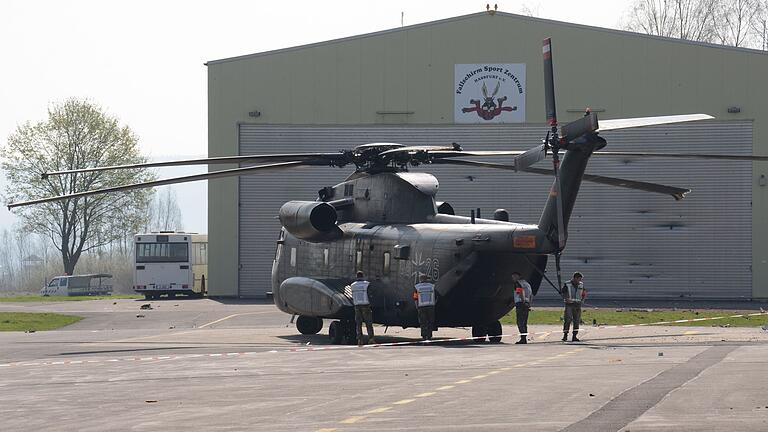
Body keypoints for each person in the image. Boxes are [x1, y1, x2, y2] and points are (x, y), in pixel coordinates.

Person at [350, 271, 375, 345]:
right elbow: (371, 294)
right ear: (363, 276)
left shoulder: (352, 285)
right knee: (368, 323)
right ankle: (371, 338)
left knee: (358, 324)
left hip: (357, 306)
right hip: (365, 305)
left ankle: (360, 340)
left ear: (356, 276)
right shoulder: (367, 284)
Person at [562, 272, 586, 342]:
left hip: (578, 305)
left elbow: (584, 293)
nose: (580, 280)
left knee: (577, 321)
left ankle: (574, 336)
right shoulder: (567, 284)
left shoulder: (581, 284)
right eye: (579, 279)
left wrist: (583, 299)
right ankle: (565, 335)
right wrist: (566, 299)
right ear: (575, 278)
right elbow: (563, 292)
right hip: (569, 305)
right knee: (568, 320)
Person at [413, 274, 436, 341]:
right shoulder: (432, 286)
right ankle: (429, 336)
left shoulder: (417, 287)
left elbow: (415, 297)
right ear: (426, 279)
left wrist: (416, 306)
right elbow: (436, 295)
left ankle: (424, 335)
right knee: (430, 322)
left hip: (421, 307)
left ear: (420, 279)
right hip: (431, 306)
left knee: (423, 322)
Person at [511, 272, 533, 344]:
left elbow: (520, 292)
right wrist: (528, 304)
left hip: (521, 304)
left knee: (520, 322)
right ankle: (524, 338)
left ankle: (523, 338)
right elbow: (531, 295)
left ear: (518, 276)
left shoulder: (518, 283)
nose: (513, 278)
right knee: (524, 322)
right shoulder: (527, 284)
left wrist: (523, 301)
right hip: (526, 303)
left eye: (514, 276)